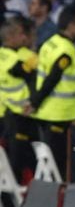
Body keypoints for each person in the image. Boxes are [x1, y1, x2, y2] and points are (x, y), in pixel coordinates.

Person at [27, 7, 75, 182]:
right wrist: (35, 102)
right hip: (59, 113)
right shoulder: (65, 49)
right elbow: (52, 78)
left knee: (47, 159)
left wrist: (35, 101)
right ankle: (56, 200)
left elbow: (38, 73)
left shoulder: (50, 42)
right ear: (71, 25)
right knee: (57, 163)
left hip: (46, 110)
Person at [0, 17, 37, 184]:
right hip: (17, 115)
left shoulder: (12, 54)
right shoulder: (13, 56)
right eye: (20, 35)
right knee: (16, 161)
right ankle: (11, 201)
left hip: (13, 114)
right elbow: (22, 71)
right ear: (11, 36)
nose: (23, 38)